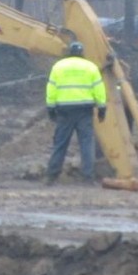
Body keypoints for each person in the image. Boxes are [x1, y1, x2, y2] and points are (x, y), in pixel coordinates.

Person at [45, 41, 107, 185]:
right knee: (86, 143)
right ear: (82, 52)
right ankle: (88, 177)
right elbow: (99, 90)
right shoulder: (90, 67)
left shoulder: (58, 67)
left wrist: (50, 108)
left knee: (60, 143)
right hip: (84, 110)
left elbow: (51, 89)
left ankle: (51, 176)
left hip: (64, 111)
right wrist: (102, 109)